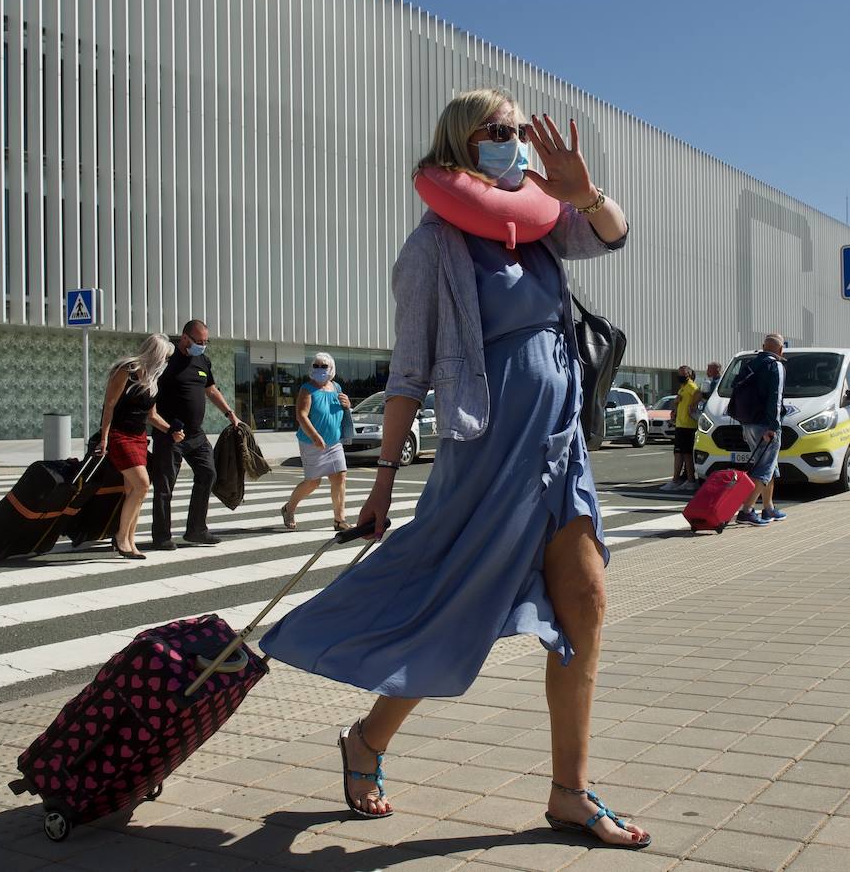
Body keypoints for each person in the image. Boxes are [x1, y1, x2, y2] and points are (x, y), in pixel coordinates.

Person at [260, 89, 651, 849]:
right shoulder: (434, 247)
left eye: (516, 131)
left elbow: (613, 236)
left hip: (558, 446)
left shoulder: (537, 226)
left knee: (588, 603)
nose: (512, 142)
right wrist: (379, 486)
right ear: (460, 146)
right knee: (452, 607)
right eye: (495, 132)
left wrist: (586, 191)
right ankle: (367, 739)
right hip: (486, 457)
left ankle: (569, 791)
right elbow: (407, 374)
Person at [149, 320, 241, 549]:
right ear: (185, 337)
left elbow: (211, 389)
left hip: (196, 434)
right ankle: (161, 536)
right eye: (198, 341)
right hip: (169, 433)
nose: (202, 345)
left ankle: (196, 529)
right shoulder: (166, 359)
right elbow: (148, 387)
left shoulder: (202, 360)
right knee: (165, 485)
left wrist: (230, 414)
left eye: (205, 342)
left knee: (208, 473)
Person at [95, 334, 181, 560]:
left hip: (139, 436)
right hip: (120, 435)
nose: (167, 361)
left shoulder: (152, 378)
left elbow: (151, 415)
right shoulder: (127, 369)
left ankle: (129, 540)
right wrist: (104, 438)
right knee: (142, 484)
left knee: (133, 490)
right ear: (157, 353)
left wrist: (171, 430)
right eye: (166, 356)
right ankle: (122, 537)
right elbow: (110, 405)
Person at [280, 352, 353, 532]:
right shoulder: (307, 389)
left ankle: (339, 519)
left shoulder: (336, 388)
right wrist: (314, 436)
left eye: (324, 366)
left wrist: (347, 405)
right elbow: (301, 415)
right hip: (311, 443)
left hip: (334, 442)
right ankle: (289, 508)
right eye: (316, 366)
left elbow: (341, 410)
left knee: (340, 476)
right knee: (313, 482)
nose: (320, 369)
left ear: (331, 369)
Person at [730, 334, 788, 527]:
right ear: (780, 350)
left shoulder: (750, 365)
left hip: (748, 423)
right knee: (764, 469)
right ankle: (746, 510)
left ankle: (769, 508)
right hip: (766, 424)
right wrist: (774, 426)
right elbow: (775, 398)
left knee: (768, 467)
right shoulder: (775, 366)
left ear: (763, 347)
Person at [659, 365, 698, 492]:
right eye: (679, 374)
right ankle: (686, 479)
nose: (680, 377)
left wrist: (693, 404)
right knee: (681, 454)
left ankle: (682, 480)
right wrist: (675, 406)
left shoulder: (691, 386)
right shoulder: (683, 388)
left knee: (684, 454)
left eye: (683, 374)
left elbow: (698, 393)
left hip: (687, 425)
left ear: (689, 374)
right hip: (681, 424)